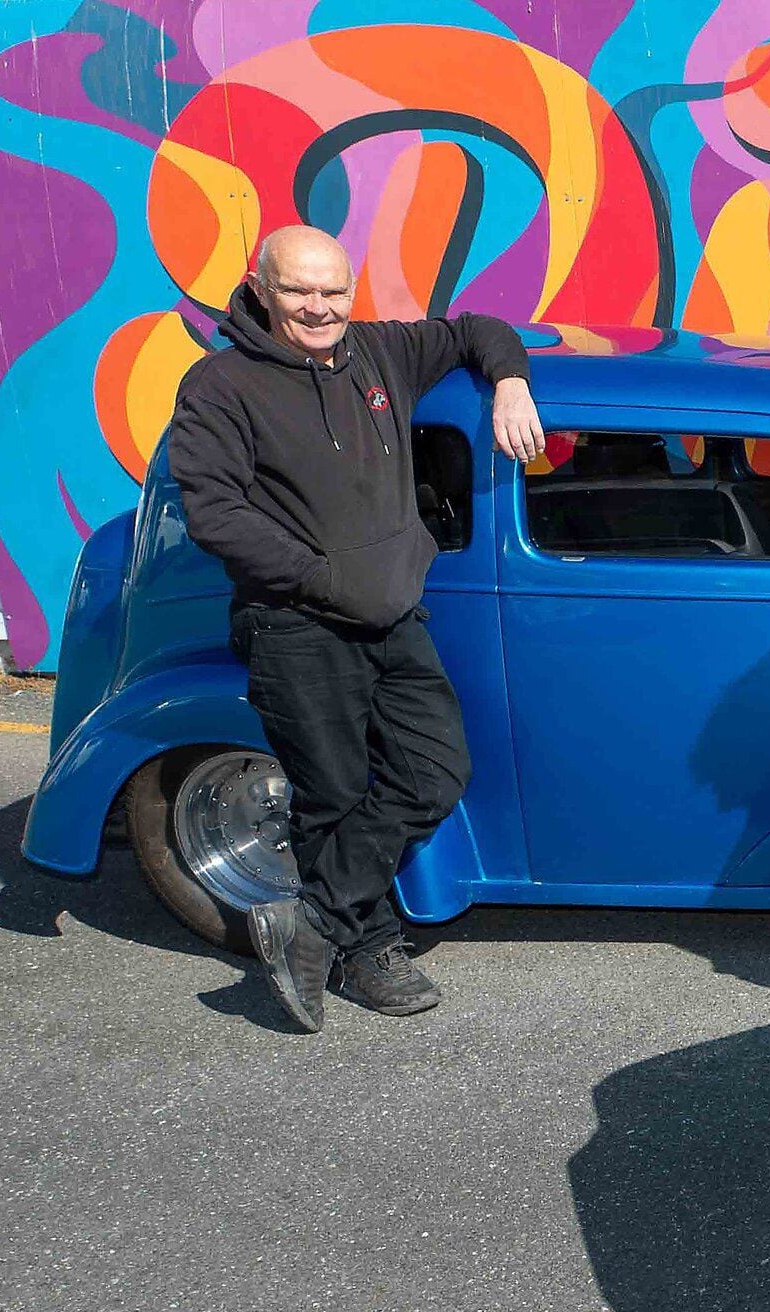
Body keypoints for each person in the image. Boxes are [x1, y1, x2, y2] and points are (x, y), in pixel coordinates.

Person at [162, 226, 545, 1032]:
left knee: (436, 769)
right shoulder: (218, 386)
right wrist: (325, 578)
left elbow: (479, 329)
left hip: (393, 618)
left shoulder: (378, 354)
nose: (320, 306)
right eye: (300, 290)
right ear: (260, 288)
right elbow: (216, 514)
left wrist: (510, 382)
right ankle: (365, 948)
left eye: (335, 290)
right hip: (295, 624)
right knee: (332, 793)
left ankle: (312, 926)